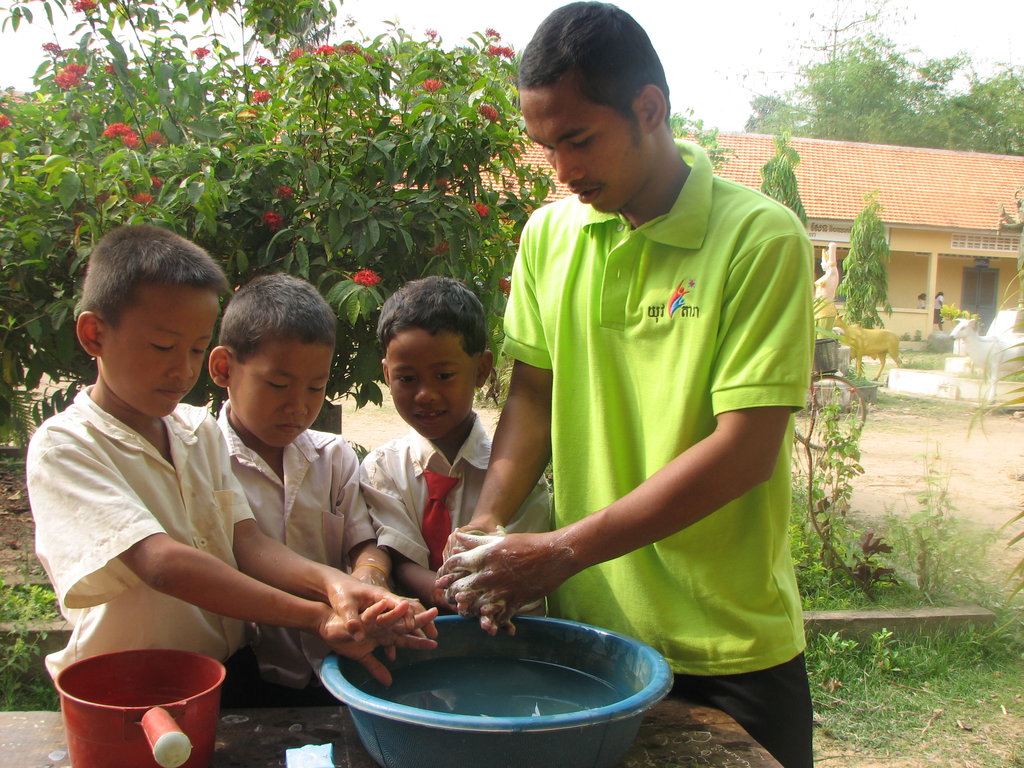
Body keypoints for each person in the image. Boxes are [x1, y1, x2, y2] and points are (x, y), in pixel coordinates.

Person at [435, 4, 814, 766]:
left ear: (650, 109)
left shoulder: (759, 238)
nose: (564, 171)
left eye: (579, 140)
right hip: (592, 637)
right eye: (546, 147)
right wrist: (488, 521)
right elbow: (532, 397)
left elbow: (743, 451)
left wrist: (563, 550)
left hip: (728, 642)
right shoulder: (549, 234)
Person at [27, 225, 436, 697]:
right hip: (126, 684)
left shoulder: (195, 431)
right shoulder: (68, 445)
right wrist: (317, 616)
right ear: (94, 334)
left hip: (221, 672)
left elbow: (246, 542)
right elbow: (161, 563)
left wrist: (336, 585)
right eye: (162, 347)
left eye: (195, 349)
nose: (182, 370)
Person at [208, 273, 395, 705]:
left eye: (317, 387)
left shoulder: (333, 457)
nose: (299, 405)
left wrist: (369, 579)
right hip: (241, 671)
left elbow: (363, 541)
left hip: (336, 665)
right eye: (278, 385)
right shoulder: (204, 457)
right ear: (224, 369)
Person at [360, 276, 550, 614]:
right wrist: (455, 597)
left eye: (443, 376)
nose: (425, 395)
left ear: (481, 370)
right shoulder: (382, 470)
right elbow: (400, 562)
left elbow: (522, 567)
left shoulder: (519, 476)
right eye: (406, 378)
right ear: (387, 375)